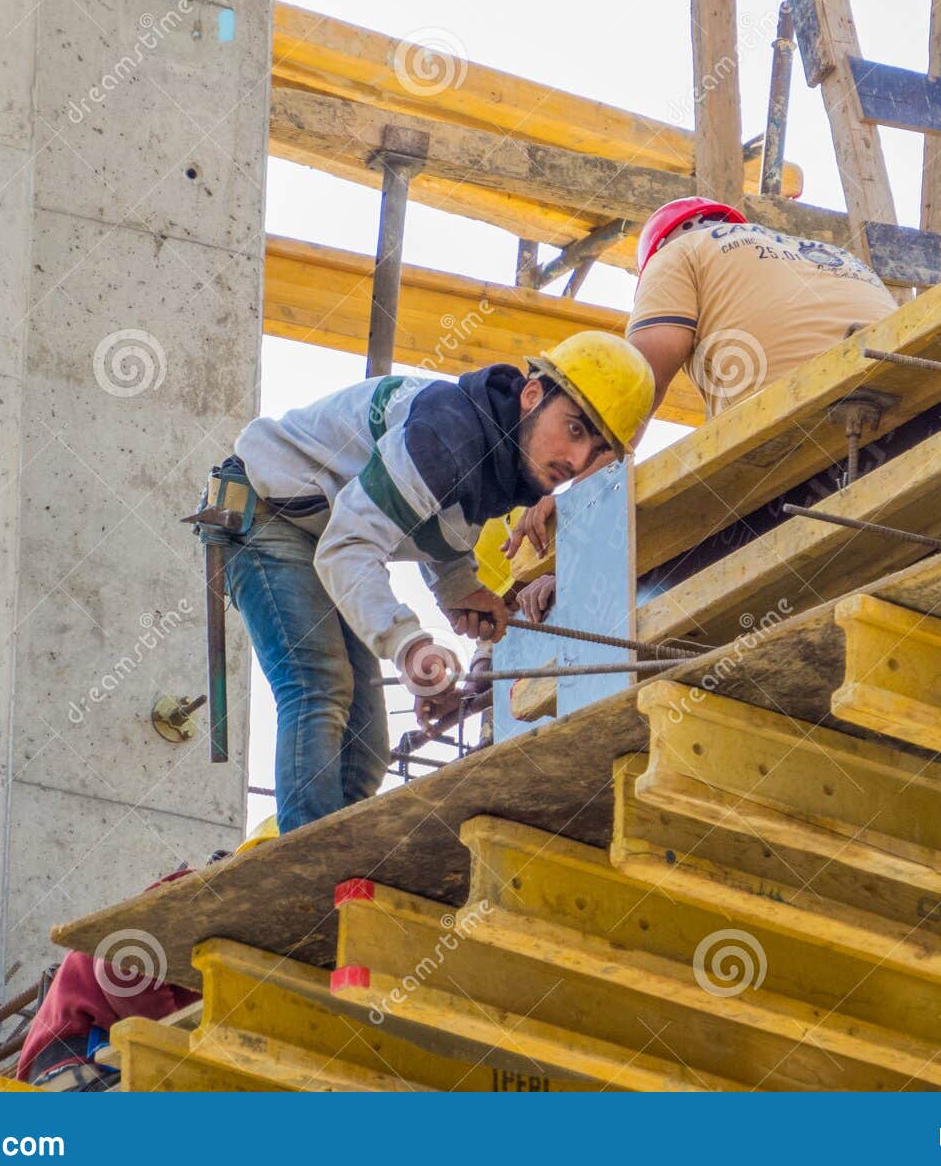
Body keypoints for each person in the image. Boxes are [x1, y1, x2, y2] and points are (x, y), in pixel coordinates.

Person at [224, 333, 655, 832]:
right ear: (533, 394)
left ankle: (337, 855)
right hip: (268, 517)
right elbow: (348, 546)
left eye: (595, 449)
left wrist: (458, 588)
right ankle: (305, 865)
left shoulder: (498, 456)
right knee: (318, 687)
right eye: (574, 428)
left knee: (364, 751)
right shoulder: (448, 434)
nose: (577, 461)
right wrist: (409, 646)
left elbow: (429, 519)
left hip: (320, 537)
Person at [505, 197, 898, 611]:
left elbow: (632, 390)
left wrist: (575, 502)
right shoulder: (841, 258)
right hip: (909, 419)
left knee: (656, 576)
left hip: (795, 454)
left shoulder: (677, 254)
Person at [16, 820, 281, 1089]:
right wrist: (177, 1040)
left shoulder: (254, 953)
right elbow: (120, 964)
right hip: (81, 1065)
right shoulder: (207, 894)